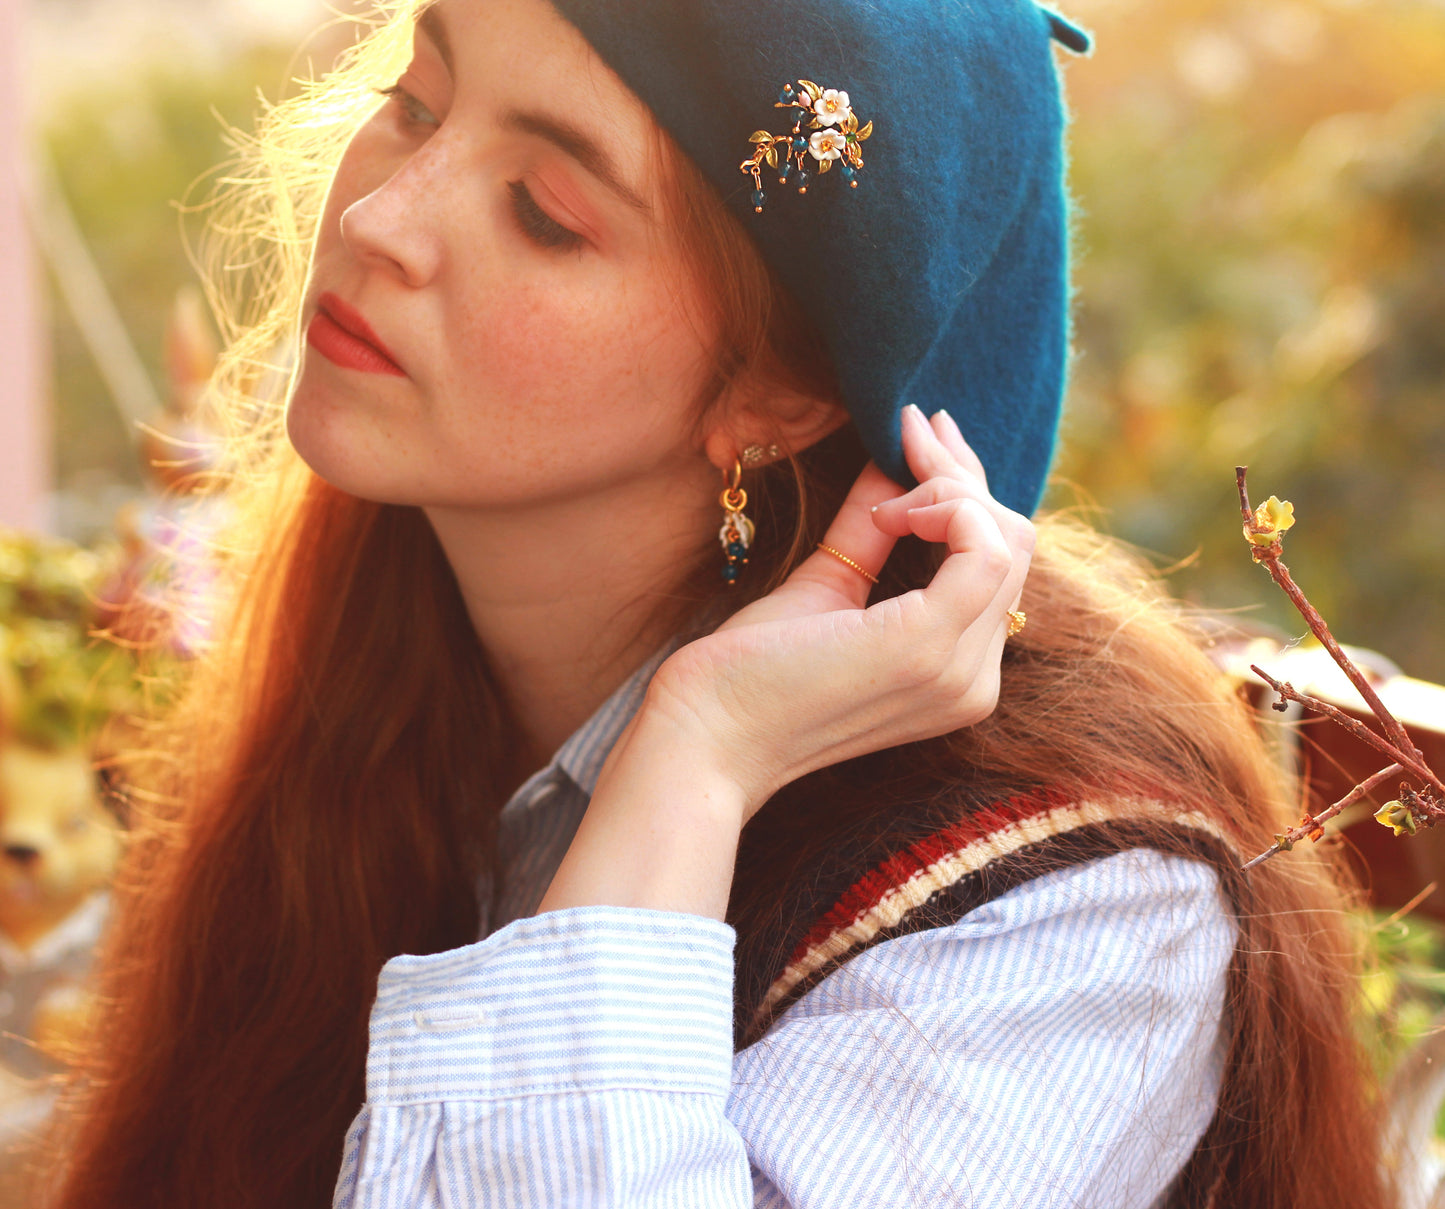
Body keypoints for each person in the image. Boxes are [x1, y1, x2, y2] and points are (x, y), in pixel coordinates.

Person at [45, 0, 1390, 1206]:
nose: (380, 218)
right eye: (415, 105)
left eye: (543, 212)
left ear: (780, 397)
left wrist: (691, 763)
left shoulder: (1071, 918)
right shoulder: (390, 647)